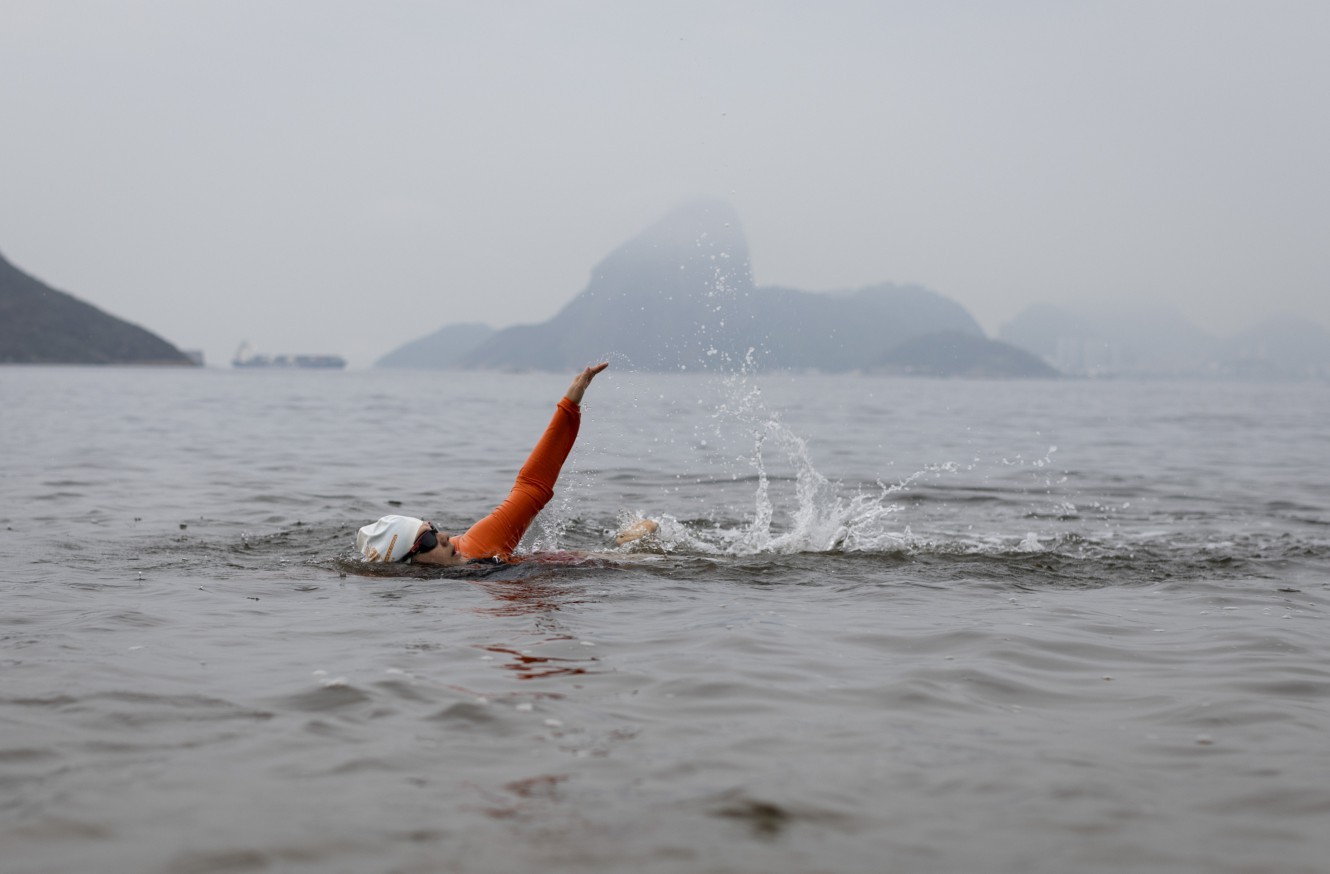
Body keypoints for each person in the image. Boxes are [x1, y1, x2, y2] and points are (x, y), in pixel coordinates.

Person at [356, 362, 656, 566]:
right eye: (429, 539)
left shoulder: (474, 545)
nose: (444, 536)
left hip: (581, 565)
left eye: (433, 527)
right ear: (411, 561)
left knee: (637, 558)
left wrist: (568, 405)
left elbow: (532, 488)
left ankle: (629, 543)